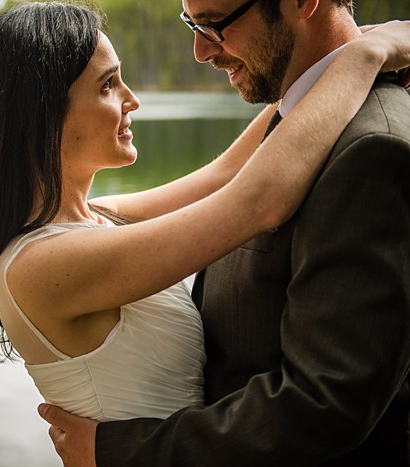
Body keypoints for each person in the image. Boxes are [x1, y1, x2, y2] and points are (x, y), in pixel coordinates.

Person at [36, 0, 410, 466]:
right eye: (193, 23)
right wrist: (363, 53)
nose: (199, 50)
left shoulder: (370, 148)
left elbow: (325, 403)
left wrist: (122, 451)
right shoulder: (302, 120)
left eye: (214, 23)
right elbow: (234, 184)